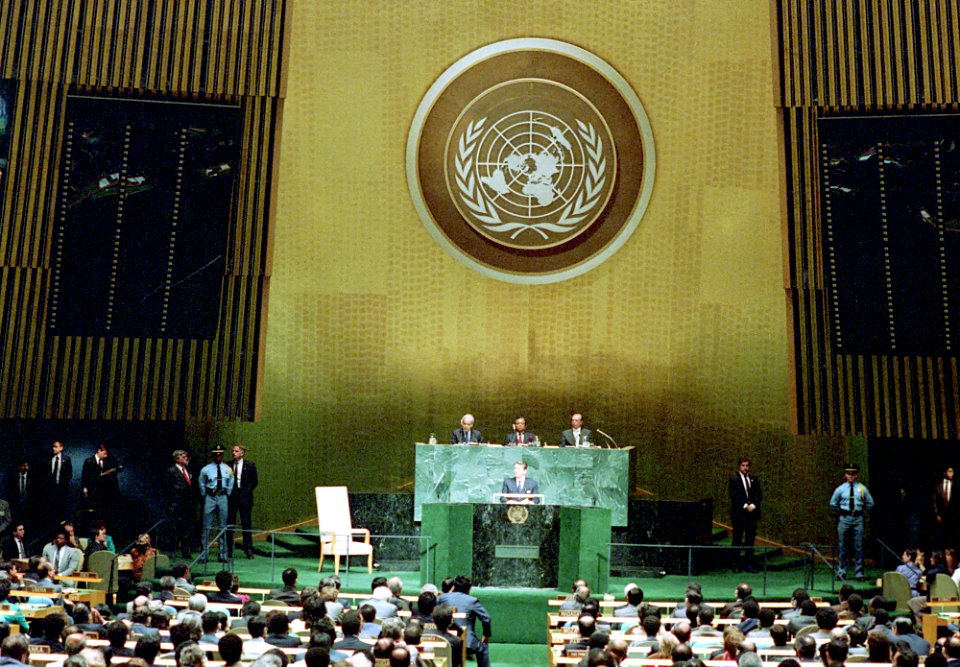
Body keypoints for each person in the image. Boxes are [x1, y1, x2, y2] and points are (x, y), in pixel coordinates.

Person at [830, 462, 874, 581]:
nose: (850, 475)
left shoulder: (861, 488)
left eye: (853, 473)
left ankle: (859, 573)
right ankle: (841, 571)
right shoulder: (841, 489)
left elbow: (870, 503)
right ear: (845, 474)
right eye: (848, 473)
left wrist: (861, 512)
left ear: (856, 475)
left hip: (857, 518)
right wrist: (842, 512)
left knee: (858, 546)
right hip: (844, 518)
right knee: (842, 545)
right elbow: (833, 503)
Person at [437, 575, 491, 667]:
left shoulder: (442, 598)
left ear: (454, 587)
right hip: (466, 642)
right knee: (483, 648)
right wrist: (486, 635)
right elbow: (486, 618)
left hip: (444, 639)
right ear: (468, 589)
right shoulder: (472, 601)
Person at [198, 447, 234, 563]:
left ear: (222, 456)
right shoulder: (206, 469)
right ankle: (204, 554)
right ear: (213, 456)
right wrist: (205, 495)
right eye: (216, 455)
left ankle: (222, 554)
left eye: (220, 455)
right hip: (210, 497)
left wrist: (227, 493)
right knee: (206, 526)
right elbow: (201, 482)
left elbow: (231, 481)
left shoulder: (227, 469)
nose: (218, 457)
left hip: (222, 497)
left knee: (222, 526)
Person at [729, 455, 762, 572]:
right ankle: (735, 564)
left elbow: (758, 495)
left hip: (751, 515)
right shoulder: (734, 479)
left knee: (750, 540)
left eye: (747, 466)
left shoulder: (754, 479)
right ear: (739, 467)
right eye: (743, 465)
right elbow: (734, 496)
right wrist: (745, 506)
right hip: (739, 514)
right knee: (737, 539)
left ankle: (749, 564)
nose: (745, 468)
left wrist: (753, 505)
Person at [228, 444, 258, 560]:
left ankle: (248, 550)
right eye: (233, 451)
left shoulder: (250, 465)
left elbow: (255, 481)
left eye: (236, 451)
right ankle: (229, 550)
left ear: (242, 453)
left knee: (246, 524)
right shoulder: (228, 465)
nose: (233, 453)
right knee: (230, 523)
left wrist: (247, 491)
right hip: (232, 497)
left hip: (245, 498)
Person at [166, 450, 197, 559]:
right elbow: (168, 489)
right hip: (175, 504)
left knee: (185, 529)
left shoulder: (187, 470)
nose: (186, 458)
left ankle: (186, 552)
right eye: (183, 456)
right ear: (177, 459)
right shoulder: (171, 471)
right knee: (173, 529)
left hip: (186, 505)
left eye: (186, 456)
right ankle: (171, 551)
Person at [81, 443, 121, 519]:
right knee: (91, 513)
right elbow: (84, 477)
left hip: (102, 492)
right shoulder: (89, 461)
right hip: (91, 491)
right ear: (99, 451)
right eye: (104, 453)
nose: (106, 456)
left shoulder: (106, 462)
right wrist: (85, 491)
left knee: (102, 513)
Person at [47, 440, 73, 526]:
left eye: (56, 446)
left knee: (62, 508)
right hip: (52, 488)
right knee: (52, 509)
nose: (53, 448)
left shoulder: (66, 459)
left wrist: (64, 484)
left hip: (62, 488)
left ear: (61, 448)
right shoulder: (50, 459)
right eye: (53, 446)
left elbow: (69, 473)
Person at [934, 466, 958, 549]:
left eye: (953, 472)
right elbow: (934, 501)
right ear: (945, 472)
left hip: (953, 516)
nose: (952, 474)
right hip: (941, 516)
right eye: (950, 471)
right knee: (941, 536)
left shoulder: (956, 484)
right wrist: (937, 514)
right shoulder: (938, 485)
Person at [7, 461, 33, 531]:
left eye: (27, 465)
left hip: (28, 508)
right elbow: (9, 492)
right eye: (23, 466)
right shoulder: (13, 477)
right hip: (16, 507)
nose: (25, 468)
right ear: (19, 467)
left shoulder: (32, 478)